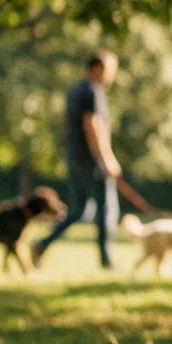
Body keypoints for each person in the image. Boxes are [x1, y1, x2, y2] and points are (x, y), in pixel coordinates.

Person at [33, 52, 125, 269]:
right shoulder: (93, 91)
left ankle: (42, 244)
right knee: (106, 209)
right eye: (111, 70)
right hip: (92, 160)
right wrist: (106, 159)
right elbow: (92, 125)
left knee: (79, 210)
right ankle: (106, 260)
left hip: (75, 157)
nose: (112, 75)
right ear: (99, 68)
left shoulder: (75, 90)